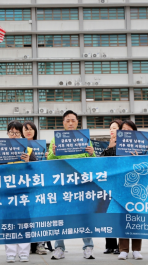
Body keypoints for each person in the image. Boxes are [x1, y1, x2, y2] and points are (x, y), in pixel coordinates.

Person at [47, 110, 96, 260]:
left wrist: (92, 153)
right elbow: (49, 161)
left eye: (73, 120)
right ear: (63, 123)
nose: (70, 123)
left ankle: (88, 247)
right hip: (62, 185)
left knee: (84, 216)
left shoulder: (85, 138)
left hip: (81, 185)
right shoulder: (56, 140)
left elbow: (94, 162)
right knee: (59, 216)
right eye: (67, 120)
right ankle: (59, 248)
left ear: (77, 122)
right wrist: (53, 153)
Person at [2, 121, 37, 263]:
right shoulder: (0, 148)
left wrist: (29, 161)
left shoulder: (28, 149)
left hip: (23, 191)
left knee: (24, 221)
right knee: (9, 222)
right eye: (11, 132)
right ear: (7, 134)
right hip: (6, 191)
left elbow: (37, 168)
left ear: (21, 134)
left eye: (17, 132)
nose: (14, 135)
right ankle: (10, 252)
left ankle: (24, 252)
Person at [21, 121, 53, 256]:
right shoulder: (18, 146)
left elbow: (46, 167)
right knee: (26, 217)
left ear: (35, 131)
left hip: (38, 184)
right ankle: (28, 245)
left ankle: (40, 244)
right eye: (26, 129)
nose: (28, 131)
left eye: (31, 129)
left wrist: (47, 158)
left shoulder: (41, 146)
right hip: (23, 185)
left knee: (39, 215)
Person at [116, 120, 143, 260]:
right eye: (124, 130)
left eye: (130, 130)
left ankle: (137, 249)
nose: (127, 133)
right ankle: (124, 250)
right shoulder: (115, 148)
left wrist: (138, 159)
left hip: (137, 187)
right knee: (123, 218)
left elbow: (147, 166)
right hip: (121, 187)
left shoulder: (141, 147)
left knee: (136, 218)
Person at [99, 119, 122, 256]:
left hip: (121, 186)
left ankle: (121, 245)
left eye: (115, 128)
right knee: (109, 216)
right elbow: (102, 163)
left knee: (119, 216)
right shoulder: (107, 146)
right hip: (109, 186)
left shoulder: (125, 146)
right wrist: (109, 147)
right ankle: (110, 245)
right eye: (110, 128)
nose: (112, 130)